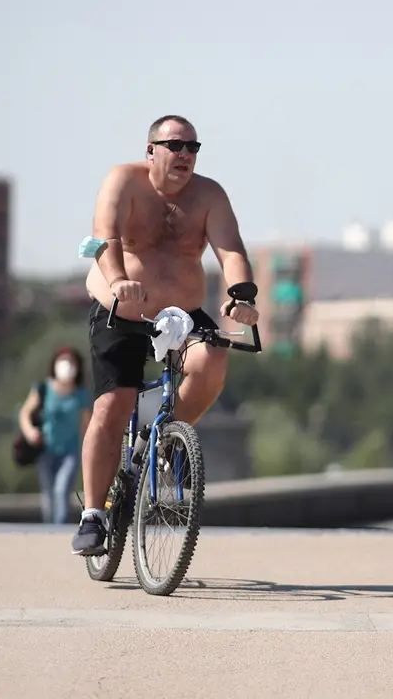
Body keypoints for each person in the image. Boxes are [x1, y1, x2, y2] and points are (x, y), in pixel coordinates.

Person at [71, 114, 260, 556]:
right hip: (122, 309)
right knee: (114, 403)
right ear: (151, 150)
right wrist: (118, 280)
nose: (185, 155)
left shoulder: (209, 195)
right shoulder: (123, 182)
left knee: (212, 361)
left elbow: (231, 250)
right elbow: (104, 238)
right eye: (175, 145)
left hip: (182, 313)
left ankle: (161, 441)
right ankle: (94, 514)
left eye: (193, 147)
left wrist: (240, 296)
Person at [17, 347, 93, 524]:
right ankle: (49, 529)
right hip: (46, 450)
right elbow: (25, 413)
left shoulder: (81, 394)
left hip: (70, 453)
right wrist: (30, 432)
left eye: (71, 362)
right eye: (63, 361)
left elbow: (87, 425)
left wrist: (90, 452)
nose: (66, 365)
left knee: (61, 489)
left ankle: (60, 527)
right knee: (48, 494)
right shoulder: (43, 389)